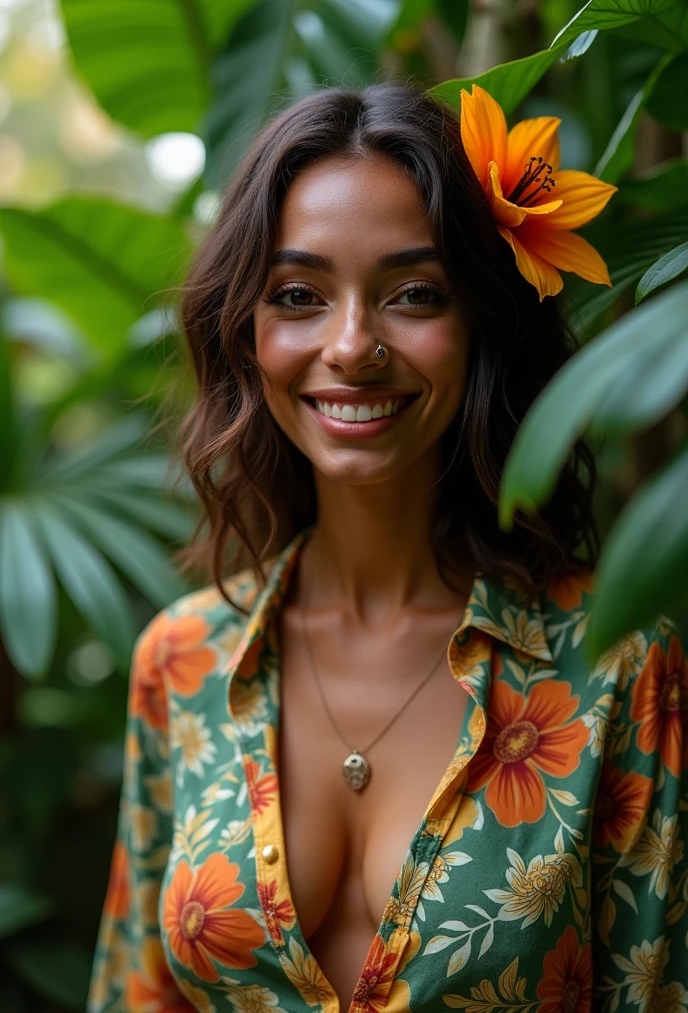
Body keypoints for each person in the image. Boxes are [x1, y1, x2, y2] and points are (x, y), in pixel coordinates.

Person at [87, 83, 687, 1013]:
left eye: (414, 294)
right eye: (298, 295)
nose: (352, 344)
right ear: (246, 331)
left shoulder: (618, 667)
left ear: (482, 323)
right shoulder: (184, 661)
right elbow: (136, 992)